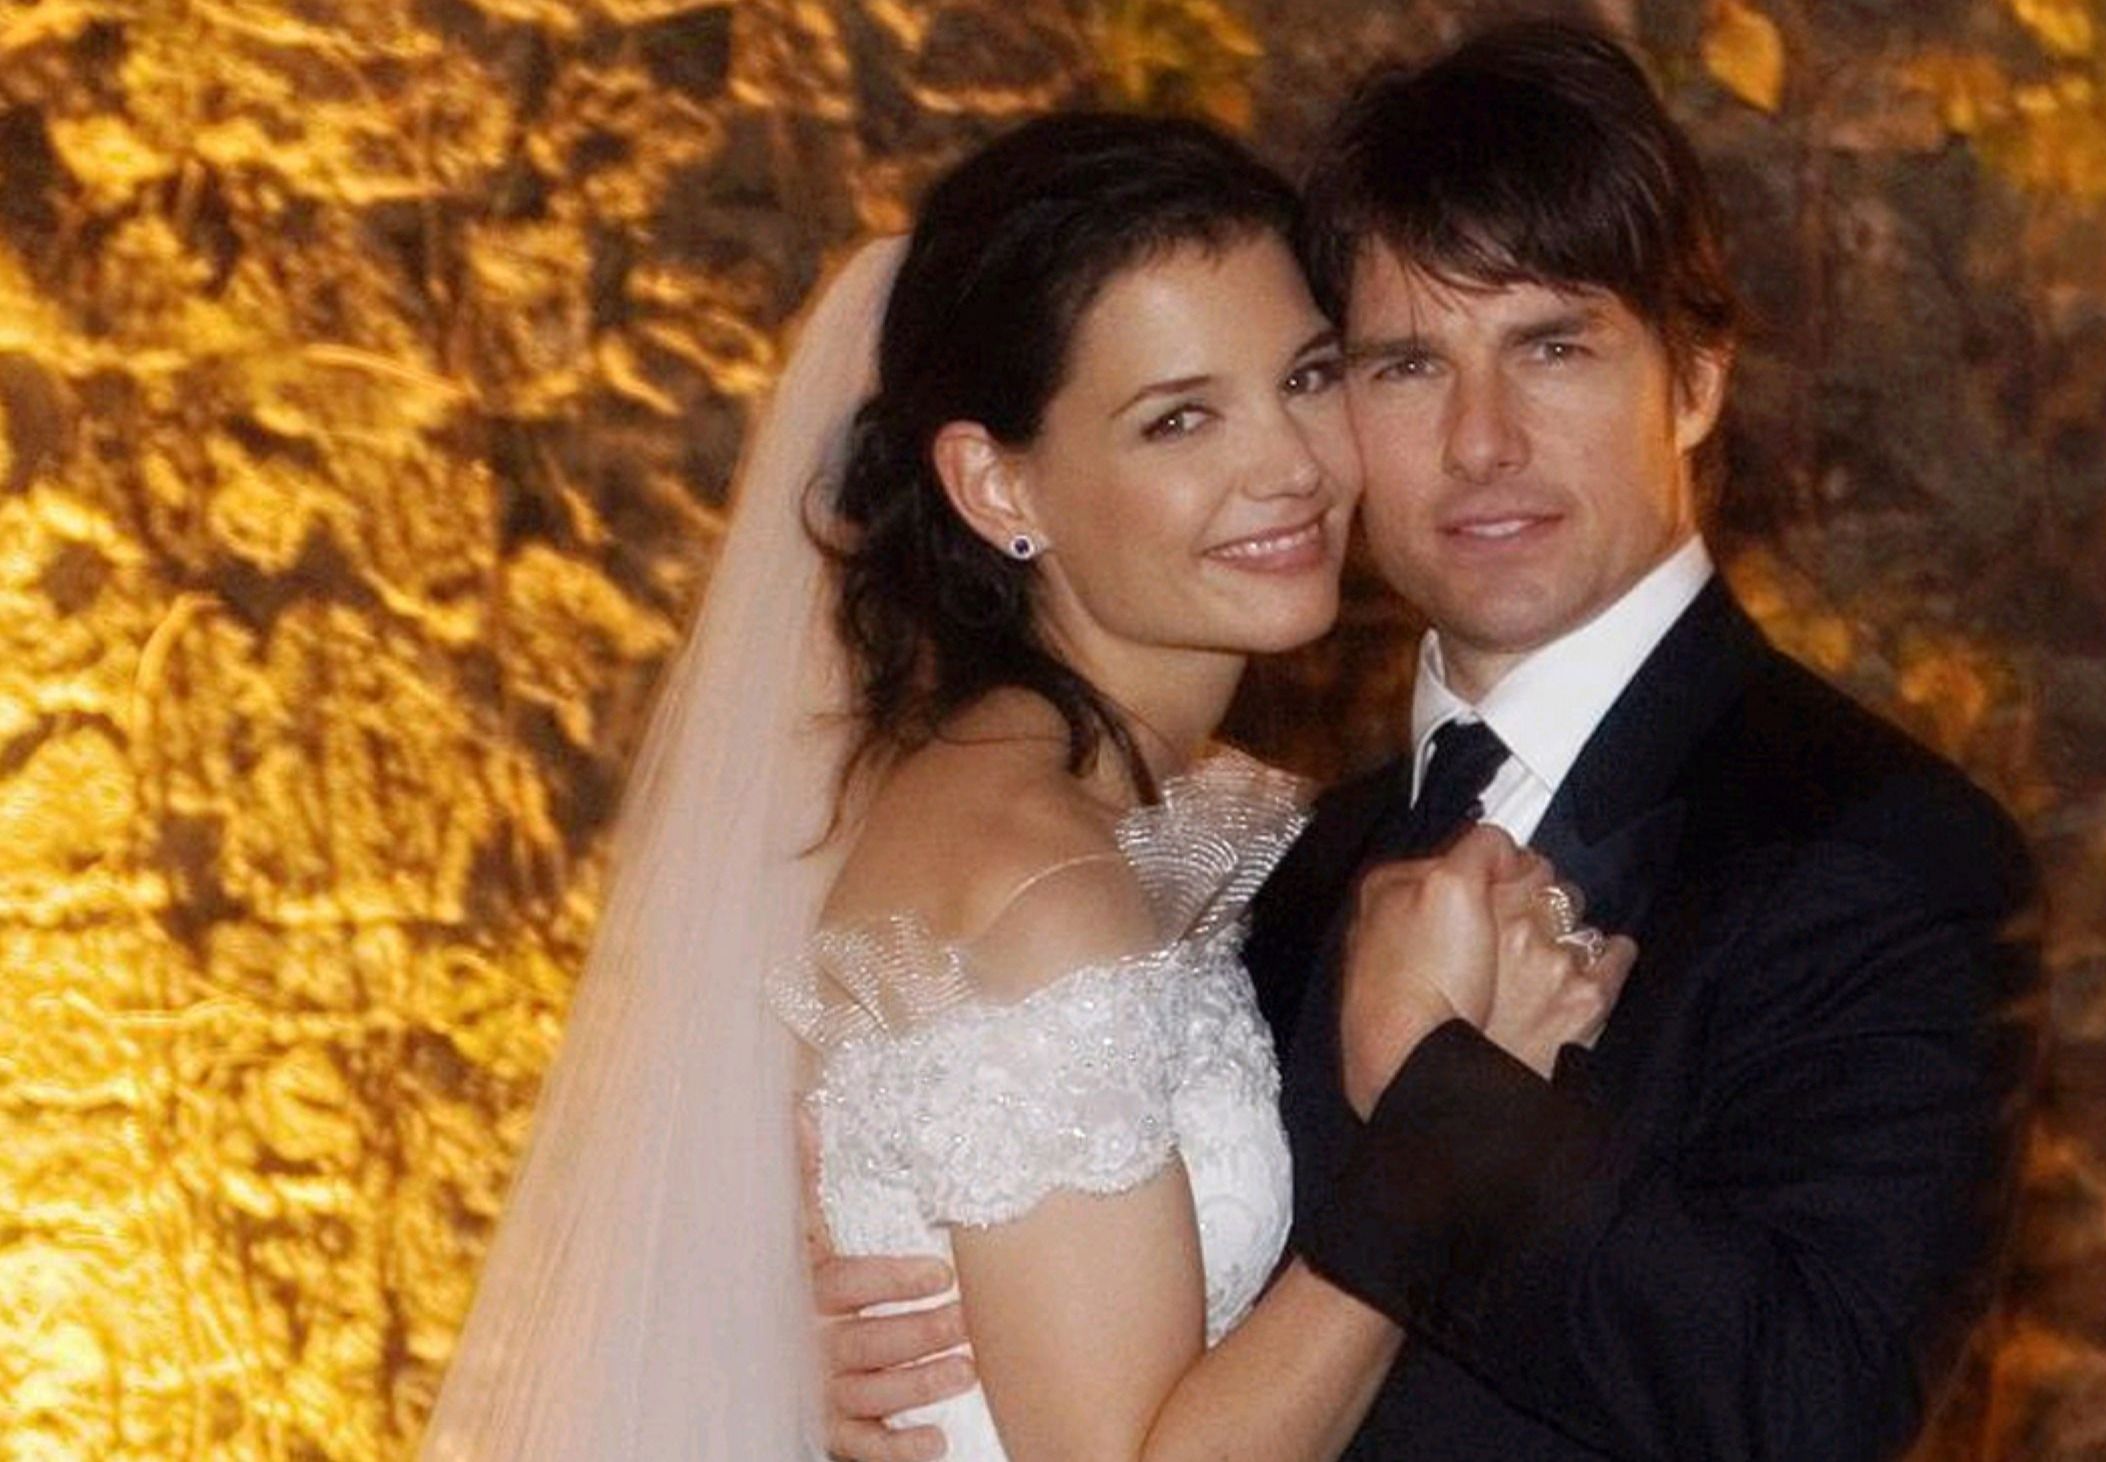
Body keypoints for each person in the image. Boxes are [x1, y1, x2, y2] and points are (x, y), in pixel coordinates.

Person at [817, 20, 2041, 1462]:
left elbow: (1816, 1413)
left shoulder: (1884, 850)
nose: (1480, 441)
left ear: (1698, 377)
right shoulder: (1272, 859)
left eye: (1552, 347)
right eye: (1401, 365)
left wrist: (1443, 1097)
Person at [418, 112, 1629, 1460]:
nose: (1290, 466)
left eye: (1304, 378)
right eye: (1179, 420)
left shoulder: (1139, 812)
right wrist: (1447, 1132)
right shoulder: (1042, 887)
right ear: (998, 486)